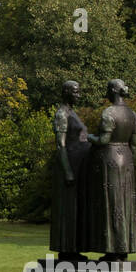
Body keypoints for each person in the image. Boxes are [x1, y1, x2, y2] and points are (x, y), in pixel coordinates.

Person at [84, 79, 136, 260]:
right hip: (127, 158)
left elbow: (103, 140)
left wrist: (87, 136)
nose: (106, 92)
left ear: (113, 91)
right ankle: (124, 249)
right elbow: (135, 144)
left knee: (111, 203)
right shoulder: (132, 114)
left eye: (108, 89)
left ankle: (113, 249)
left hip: (110, 159)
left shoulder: (109, 112)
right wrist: (130, 161)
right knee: (124, 203)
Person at [50, 80, 90, 260]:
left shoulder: (72, 113)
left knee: (75, 209)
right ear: (66, 92)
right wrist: (67, 171)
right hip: (69, 167)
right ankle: (65, 250)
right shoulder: (61, 114)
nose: (78, 94)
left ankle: (73, 249)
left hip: (78, 166)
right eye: (75, 91)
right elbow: (60, 144)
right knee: (67, 209)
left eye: (78, 91)